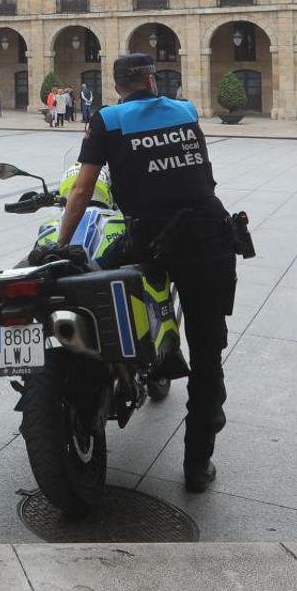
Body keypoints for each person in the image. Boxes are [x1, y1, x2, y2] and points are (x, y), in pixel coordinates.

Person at [54, 53, 237, 494]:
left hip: (150, 239)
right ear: (152, 79)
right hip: (209, 236)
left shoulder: (108, 119)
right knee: (209, 353)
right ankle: (197, 465)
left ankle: (138, 361)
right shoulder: (186, 110)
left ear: (116, 86)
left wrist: (61, 245)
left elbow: (81, 189)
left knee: (115, 293)